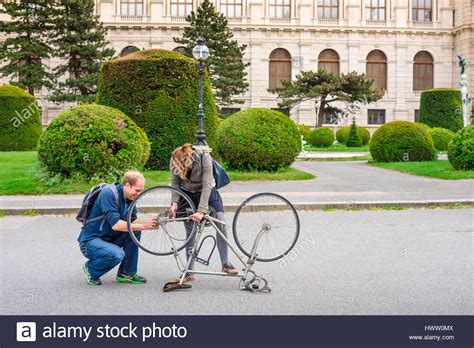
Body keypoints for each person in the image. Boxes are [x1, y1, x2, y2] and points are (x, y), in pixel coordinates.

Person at [169, 143, 238, 282]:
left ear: (189, 159)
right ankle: (189, 271)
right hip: (187, 194)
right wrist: (174, 204)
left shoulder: (204, 157)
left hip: (207, 192)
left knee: (220, 222)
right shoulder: (174, 158)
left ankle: (226, 264)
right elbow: (175, 183)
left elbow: (207, 185)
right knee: (190, 230)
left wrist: (201, 211)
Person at [78, 170, 157, 285]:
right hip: (91, 241)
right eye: (137, 190)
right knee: (117, 254)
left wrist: (152, 223)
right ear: (127, 185)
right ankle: (91, 269)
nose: (139, 194)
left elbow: (133, 221)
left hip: (109, 237)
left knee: (136, 230)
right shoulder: (108, 194)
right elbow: (116, 225)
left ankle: (126, 273)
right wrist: (145, 225)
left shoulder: (130, 197)